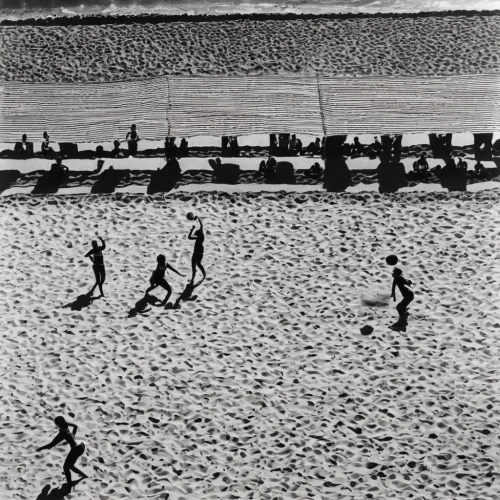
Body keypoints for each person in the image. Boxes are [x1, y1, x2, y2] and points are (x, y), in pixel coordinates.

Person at [36, 416, 88, 492]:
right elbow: (75, 426)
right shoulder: (65, 425)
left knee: (66, 467)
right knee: (70, 465)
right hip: (81, 445)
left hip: (76, 449)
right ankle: (83, 475)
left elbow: (51, 445)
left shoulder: (62, 433)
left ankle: (69, 486)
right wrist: (73, 435)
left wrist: (40, 449)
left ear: (57, 424)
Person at [188, 216, 206, 283]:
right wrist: (198, 218)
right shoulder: (201, 234)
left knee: (194, 264)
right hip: (200, 253)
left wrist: (192, 230)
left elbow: (189, 237)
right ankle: (203, 274)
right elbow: (201, 225)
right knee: (198, 264)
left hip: (196, 253)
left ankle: (193, 277)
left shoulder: (198, 238)